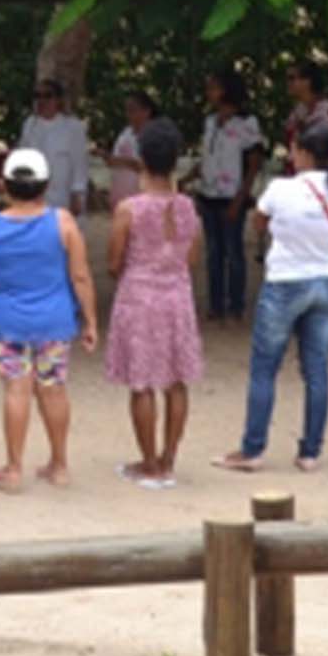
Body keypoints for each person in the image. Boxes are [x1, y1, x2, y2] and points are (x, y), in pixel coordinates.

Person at [0, 148, 97, 492]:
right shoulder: (63, 222)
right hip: (54, 320)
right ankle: (59, 465)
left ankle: (14, 469)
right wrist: (90, 321)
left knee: (17, 389)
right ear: (46, 184)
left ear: (4, 184)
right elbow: (80, 276)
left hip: (7, 320)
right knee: (53, 388)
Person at [213, 122, 328, 473]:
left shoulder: (281, 188)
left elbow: (260, 221)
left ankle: (253, 448)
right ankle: (310, 451)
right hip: (325, 279)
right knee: (317, 369)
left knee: (265, 368)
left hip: (285, 280)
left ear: (303, 152)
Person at [103, 119, 200, 488]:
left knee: (141, 382)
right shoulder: (187, 207)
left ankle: (149, 463)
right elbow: (192, 258)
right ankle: (168, 459)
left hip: (139, 297)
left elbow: (114, 261)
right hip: (178, 296)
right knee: (176, 380)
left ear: (142, 159)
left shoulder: (129, 209)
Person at [194, 70, 265, 325]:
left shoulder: (247, 123)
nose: (209, 92)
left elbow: (254, 164)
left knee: (233, 251)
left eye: (214, 87)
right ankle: (216, 304)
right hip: (209, 193)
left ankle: (236, 305)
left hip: (231, 194)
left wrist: (240, 197)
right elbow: (207, 157)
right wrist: (192, 178)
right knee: (214, 252)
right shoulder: (211, 122)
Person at [18, 79, 91, 215]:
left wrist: (77, 193)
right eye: (37, 96)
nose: (42, 100)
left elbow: (80, 163)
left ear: (58, 100)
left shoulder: (73, 127)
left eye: (47, 95)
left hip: (63, 195)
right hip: (35, 194)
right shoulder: (29, 125)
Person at [106, 91, 160, 208]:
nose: (128, 114)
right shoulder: (125, 133)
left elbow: (153, 168)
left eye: (132, 110)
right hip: (122, 200)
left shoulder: (155, 136)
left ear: (146, 111)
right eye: (127, 110)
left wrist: (123, 162)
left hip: (144, 201)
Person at [283, 61, 328, 157]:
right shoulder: (296, 114)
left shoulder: (327, 112)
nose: (288, 83)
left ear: (307, 81)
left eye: (291, 78)